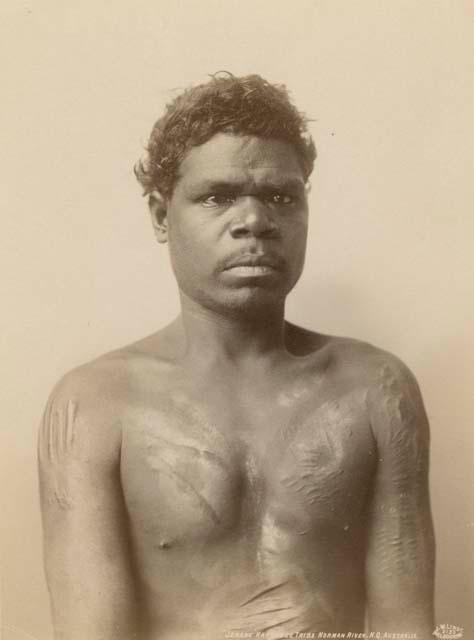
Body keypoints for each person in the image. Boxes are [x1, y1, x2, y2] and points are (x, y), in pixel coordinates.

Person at [38, 73, 435, 640]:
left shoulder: (376, 390)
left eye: (280, 197)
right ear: (159, 213)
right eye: (217, 196)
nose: (255, 222)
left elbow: (407, 628)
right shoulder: (93, 405)